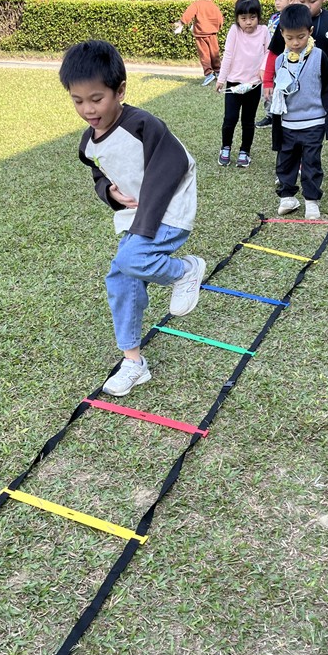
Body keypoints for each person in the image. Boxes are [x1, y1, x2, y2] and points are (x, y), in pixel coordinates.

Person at [59, 40, 206, 397]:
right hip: (136, 214)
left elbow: (175, 164)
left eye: (97, 99)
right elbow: (99, 173)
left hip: (169, 210)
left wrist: (144, 224)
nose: (88, 109)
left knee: (130, 259)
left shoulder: (143, 124)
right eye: (78, 101)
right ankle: (133, 362)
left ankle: (185, 270)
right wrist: (109, 192)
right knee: (121, 278)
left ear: (120, 90)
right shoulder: (88, 143)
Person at [268, 4, 328, 221]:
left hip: (313, 122)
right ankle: (287, 198)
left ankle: (311, 201)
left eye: (301, 37)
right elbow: (279, 92)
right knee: (285, 162)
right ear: (282, 34)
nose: (296, 43)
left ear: (310, 31)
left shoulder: (319, 56)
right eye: (289, 38)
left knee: (311, 162)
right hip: (288, 123)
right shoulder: (279, 60)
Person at [215, 0, 269, 168]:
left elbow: (268, 54)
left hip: (254, 85)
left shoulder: (264, 31)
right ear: (237, 18)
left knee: (248, 120)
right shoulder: (234, 30)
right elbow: (228, 55)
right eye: (243, 18)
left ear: (258, 17)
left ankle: (245, 151)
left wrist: (264, 73)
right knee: (230, 119)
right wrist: (221, 79)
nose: (248, 22)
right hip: (234, 83)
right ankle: (225, 148)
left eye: (252, 17)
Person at [255, 0, 296, 129]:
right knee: (268, 86)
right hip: (271, 56)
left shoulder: (294, 18)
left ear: (291, 0)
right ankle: (270, 115)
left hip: (287, 59)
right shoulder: (274, 18)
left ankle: (286, 113)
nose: (277, 2)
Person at [174, 0, 225, 87]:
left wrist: (181, 23)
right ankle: (218, 71)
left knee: (204, 55)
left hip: (200, 35)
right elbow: (220, 20)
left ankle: (208, 74)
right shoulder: (215, 7)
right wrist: (217, 28)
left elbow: (188, 14)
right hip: (212, 34)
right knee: (214, 53)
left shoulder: (197, 4)